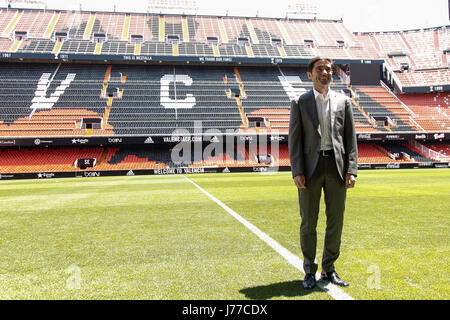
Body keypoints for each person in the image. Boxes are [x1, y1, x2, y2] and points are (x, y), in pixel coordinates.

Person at [288, 57, 358, 290]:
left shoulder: (343, 101)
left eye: (328, 69)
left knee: (335, 221)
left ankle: (329, 268)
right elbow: (294, 140)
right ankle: (309, 270)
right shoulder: (300, 101)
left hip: (337, 168)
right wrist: (297, 170)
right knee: (309, 222)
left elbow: (350, 139)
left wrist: (352, 169)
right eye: (320, 69)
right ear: (310, 75)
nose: (325, 72)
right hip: (310, 169)